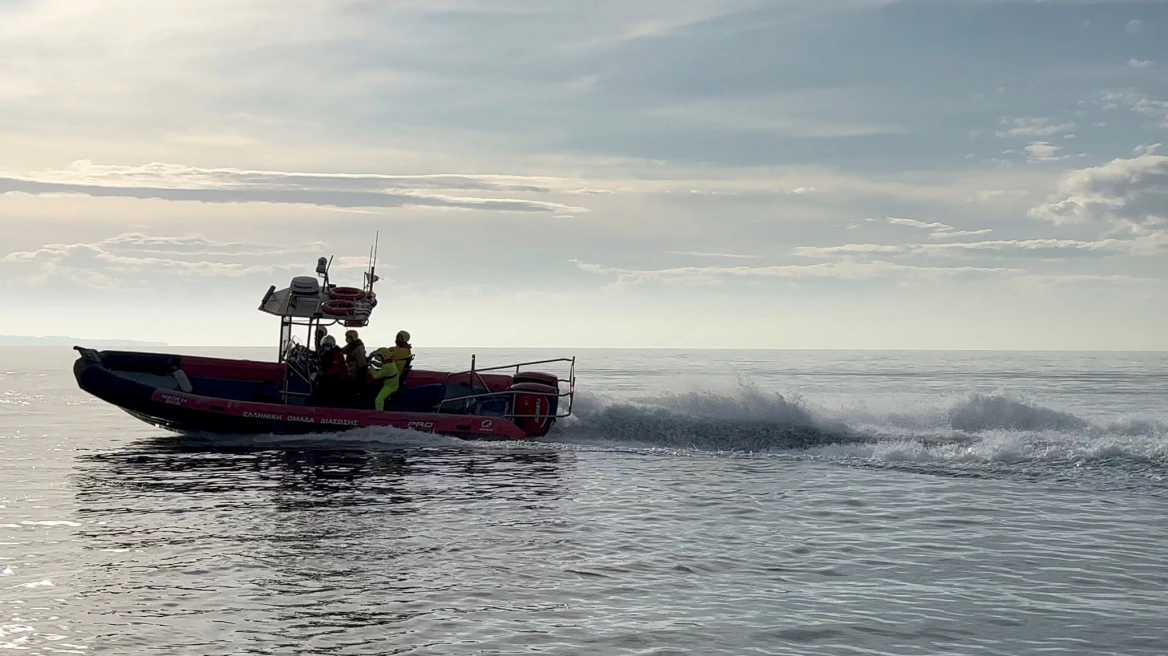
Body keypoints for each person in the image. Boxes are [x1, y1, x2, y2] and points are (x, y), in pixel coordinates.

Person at [369, 331, 413, 411]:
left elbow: (389, 354)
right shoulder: (399, 348)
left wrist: (376, 355)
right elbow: (389, 350)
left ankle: (379, 412)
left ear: (404, 339)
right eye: (397, 337)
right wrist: (378, 351)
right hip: (393, 369)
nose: (396, 339)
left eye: (399, 337)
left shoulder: (403, 350)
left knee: (378, 398)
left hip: (395, 373)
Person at [314, 335, 346, 406]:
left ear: (332, 345)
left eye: (328, 345)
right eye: (325, 345)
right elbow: (321, 360)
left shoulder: (337, 355)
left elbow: (335, 369)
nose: (326, 347)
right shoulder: (325, 353)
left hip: (336, 380)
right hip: (329, 377)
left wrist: (322, 373)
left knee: (327, 391)